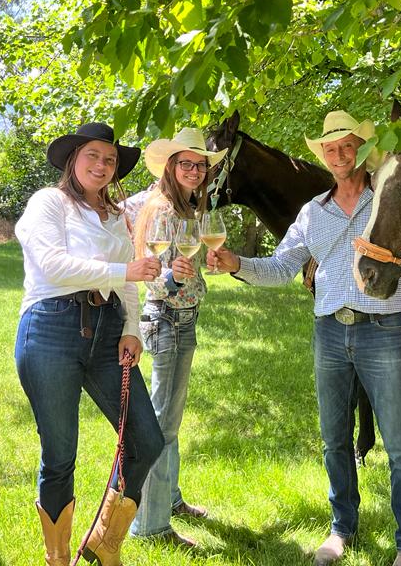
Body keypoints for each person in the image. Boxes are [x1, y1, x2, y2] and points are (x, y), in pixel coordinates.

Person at [208, 111, 401, 566]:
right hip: (329, 334)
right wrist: (237, 263)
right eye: (330, 149)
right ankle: (341, 529)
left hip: (383, 335)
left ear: (361, 149)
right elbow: (280, 268)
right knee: (334, 440)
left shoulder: (389, 201)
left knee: (399, 445)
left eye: (347, 146)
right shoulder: (312, 213)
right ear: (324, 155)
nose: (339, 155)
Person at [15, 122, 166, 566]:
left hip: (107, 331)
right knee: (60, 454)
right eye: (93, 156)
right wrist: (125, 273)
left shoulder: (117, 214)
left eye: (110, 159)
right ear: (72, 160)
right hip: (50, 330)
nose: (102, 166)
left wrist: (132, 328)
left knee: (147, 440)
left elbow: (130, 279)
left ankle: (105, 539)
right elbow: (53, 265)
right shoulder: (49, 203)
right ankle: (58, 558)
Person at [129, 127, 228, 546]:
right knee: (160, 426)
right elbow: (152, 279)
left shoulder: (188, 208)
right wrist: (172, 277)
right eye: (186, 163)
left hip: (183, 318)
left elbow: (180, 268)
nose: (194, 170)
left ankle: (169, 499)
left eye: (200, 164)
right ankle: (148, 525)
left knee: (170, 420)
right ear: (171, 167)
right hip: (167, 319)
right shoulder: (165, 210)